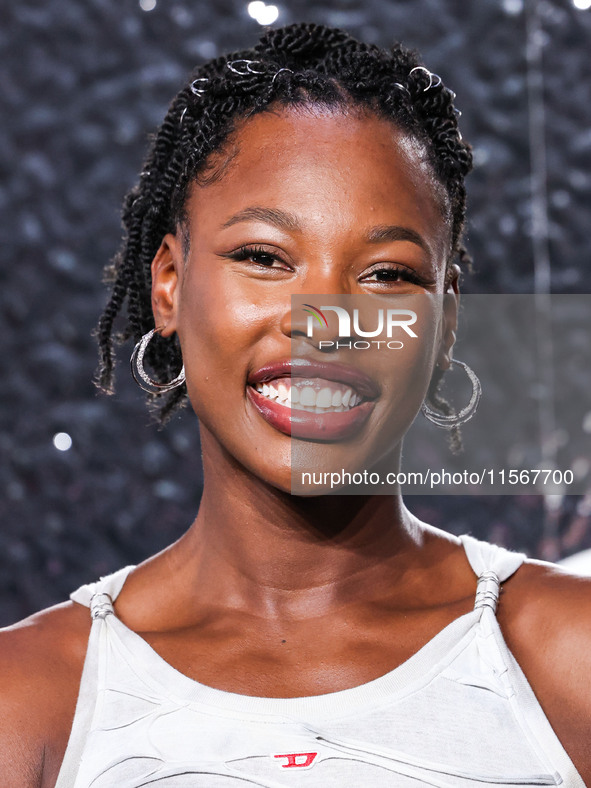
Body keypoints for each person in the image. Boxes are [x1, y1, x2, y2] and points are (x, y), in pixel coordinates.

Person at [1, 22, 590, 787]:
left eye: (385, 274)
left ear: (444, 321)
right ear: (169, 284)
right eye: (262, 258)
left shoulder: (568, 657)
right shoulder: (29, 701)